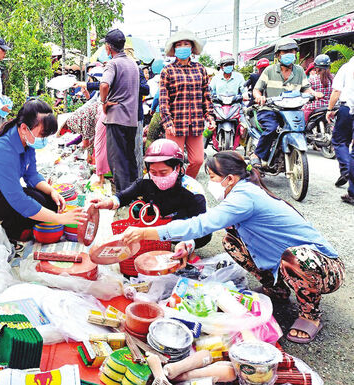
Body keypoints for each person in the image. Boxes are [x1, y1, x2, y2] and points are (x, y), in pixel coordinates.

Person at [122, 151, 344, 344]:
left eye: (211, 177)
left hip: (324, 267)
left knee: (296, 257)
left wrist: (145, 232)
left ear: (228, 178)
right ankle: (276, 289)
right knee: (231, 241)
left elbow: (201, 224)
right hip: (283, 259)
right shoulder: (240, 192)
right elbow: (212, 225)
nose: (210, 183)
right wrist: (187, 245)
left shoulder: (244, 197)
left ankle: (310, 315)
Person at [0, 99, 87, 241]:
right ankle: (8, 235)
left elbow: (32, 175)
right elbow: (18, 199)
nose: (44, 139)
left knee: (50, 202)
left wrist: (52, 191)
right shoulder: (2, 150)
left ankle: (15, 229)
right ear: (25, 128)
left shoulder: (27, 141)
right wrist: (60, 219)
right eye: (42, 134)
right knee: (33, 205)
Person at [92, 139, 211, 251]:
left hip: (181, 232)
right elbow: (124, 196)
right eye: (153, 172)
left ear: (178, 168)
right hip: (156, 227)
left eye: (163, 173)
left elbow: (202, 229)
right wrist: (109, 202)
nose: (158, 177)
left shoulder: (193, 191)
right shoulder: (147, 181)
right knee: (137, 210)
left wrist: (189, 245)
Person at [251, 38, 323, 166]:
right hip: (271, 109)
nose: (289, 54)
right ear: (278, 55)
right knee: (271, 128)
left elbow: (306, 89)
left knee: (301, 129)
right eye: (285, 51)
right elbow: (257, 90)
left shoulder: (300, 70)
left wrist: (313, 94)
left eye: (292, 51)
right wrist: (259, 97)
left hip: (293, 110)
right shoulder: (269, 70)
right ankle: (257, 154)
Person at [159, 30, 215, 179]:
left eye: (186, 44)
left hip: (195, 123)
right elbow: (164, 100)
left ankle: (186, 184)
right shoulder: (168, 71)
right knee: (174, 161)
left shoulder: (200, 69)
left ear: (192, 48)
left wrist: (209, 116)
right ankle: (173, 188)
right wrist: (167, 121)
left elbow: (206, 95)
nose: (183, 47)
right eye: (179, 45)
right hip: (175, 123)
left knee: (197, 160)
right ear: (174, 49)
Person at [100, 29, 140, 191]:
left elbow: (104, 85)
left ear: (109, 47)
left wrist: (104, 102)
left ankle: (122, 199)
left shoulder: (113, 63)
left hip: (116, 118)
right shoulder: (133, 64)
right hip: (131, 120)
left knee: (118, 161)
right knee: (130, 159)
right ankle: (135, 195)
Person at [326, 56, 354, 202]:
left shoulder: (347, 67)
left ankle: (346, 170)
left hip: (348, 109)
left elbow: (337, 91)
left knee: (339, 141)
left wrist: (330, 109)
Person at [303, 54, 334, 123]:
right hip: (332, 106)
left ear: (316, 68)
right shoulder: (334, 78)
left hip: (316, 107)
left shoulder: (313, 79)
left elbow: (306, 91)